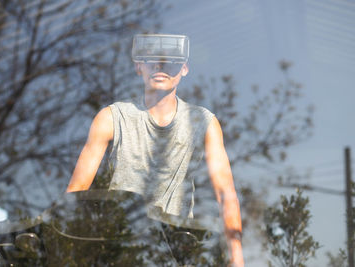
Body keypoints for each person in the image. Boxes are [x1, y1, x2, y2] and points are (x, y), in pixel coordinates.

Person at [66, 34, 244, 266]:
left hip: (176, 252)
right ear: (138, 65)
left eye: (170, 61)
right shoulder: (111, 118)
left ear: (184, 68)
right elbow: (76, 192)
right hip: (117, 250)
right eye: (151, 60)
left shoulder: (203, 122)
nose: (160, 67)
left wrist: (236, 255)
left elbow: (225, 192)